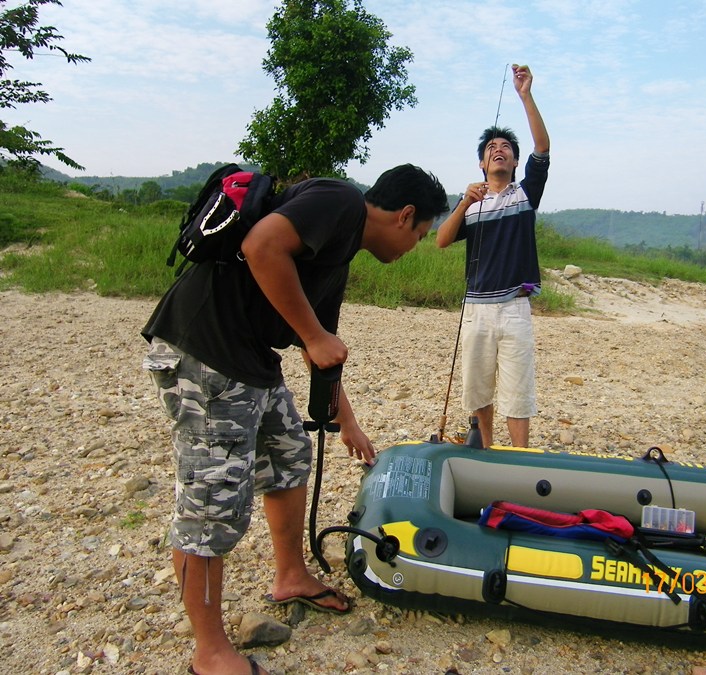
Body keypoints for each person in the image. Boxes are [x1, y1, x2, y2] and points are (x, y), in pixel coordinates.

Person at [142, 164, 448, 675]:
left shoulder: (341, 250)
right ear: (405, 215)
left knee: (289, 454)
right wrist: (312, 336)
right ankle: (210, 653)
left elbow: (321, 351)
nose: (415, 245)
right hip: (204, 350)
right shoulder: (340, 201)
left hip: (251, 358)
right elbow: (262, 246)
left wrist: (346, 420)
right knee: (210, 506)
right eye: (420, 234)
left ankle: (290, 576)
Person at [436, 64, 550, 449]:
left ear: (515, 163)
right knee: (478, 387)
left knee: (518, 389)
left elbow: (543, 148)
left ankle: (520, 456)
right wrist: (465, 201)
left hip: (515, 307)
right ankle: (483, 450)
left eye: (505, 148)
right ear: (482, 165)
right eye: (491, 149)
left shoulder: (525, 194)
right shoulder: (471, 203)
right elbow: (441, 240)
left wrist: (525, 95)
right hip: (476, 309)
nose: (498, 151)